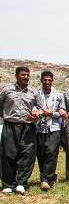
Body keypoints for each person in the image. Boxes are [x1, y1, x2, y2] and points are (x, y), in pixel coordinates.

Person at [0, 66, 40, 195]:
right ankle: (7, 184)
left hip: (28, 127)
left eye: (28, 75)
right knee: (8, 155)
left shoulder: (33, 92)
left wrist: (36, 113)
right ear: (16, 76)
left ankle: (21, 183)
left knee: (27, 155)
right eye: (23, 75)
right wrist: (7, 116)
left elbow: (39, 108)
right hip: (10, 126)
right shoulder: (6, 90)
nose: (26, 77)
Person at [35, 71, 66, 191]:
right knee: (41, 153)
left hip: (54, 128)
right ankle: (50, 176)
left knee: (51, 153)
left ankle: (45, 180)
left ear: (52, 80)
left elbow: (62, 113)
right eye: (45, 80)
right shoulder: (36, 94)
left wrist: (52, 113)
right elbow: (33, 107)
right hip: (39, 128)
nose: (47, 82)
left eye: (49, 80)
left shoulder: (59, 95)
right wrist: (37, 112)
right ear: (41, 80)